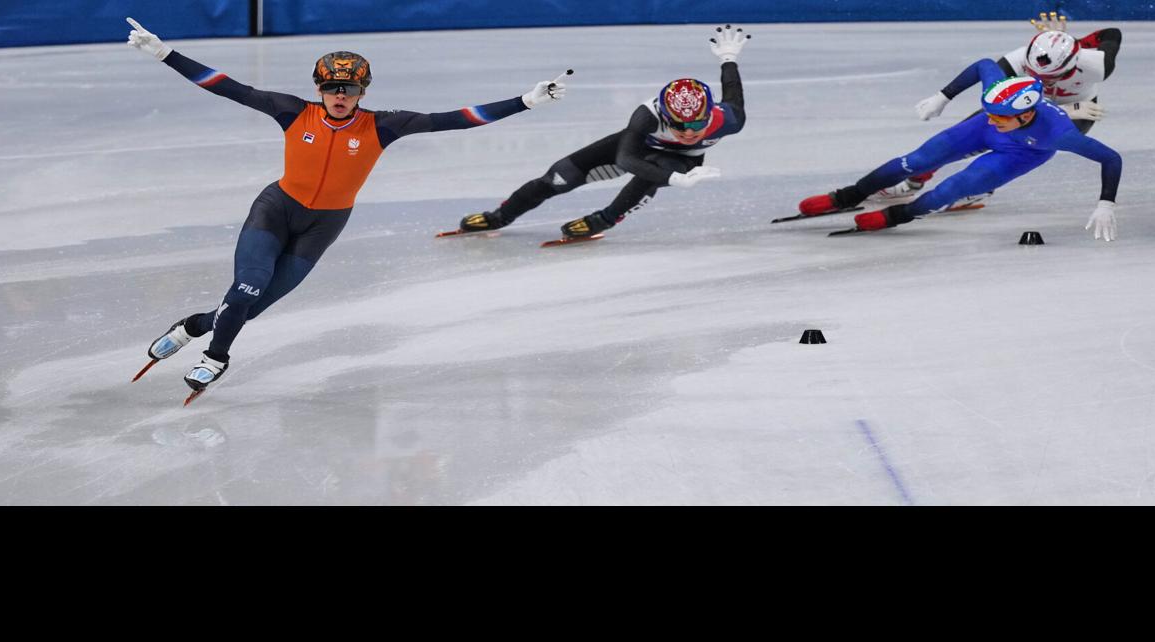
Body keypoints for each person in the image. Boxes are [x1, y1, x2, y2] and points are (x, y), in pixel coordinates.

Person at [123, 17, 568, 399]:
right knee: (248, 288)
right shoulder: (293, 111)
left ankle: (190, 327)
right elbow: (228, 88)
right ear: (318, 87)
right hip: (275, 210)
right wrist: (165, 53)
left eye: (349, 88)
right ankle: (216, 357)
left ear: (363, 89)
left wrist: (525, 102)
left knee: (249, 307)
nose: (339, 95)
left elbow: (456, 119)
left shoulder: (385, 125)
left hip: (323, 226)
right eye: (332, 87)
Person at [455, 26, 750, 242]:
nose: (687, 133)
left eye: (696, 126)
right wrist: (676, 181)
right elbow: (626, 157)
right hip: (638, 148)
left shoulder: (729, 119)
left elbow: (733, 92)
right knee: (557, 177)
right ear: (664, 114)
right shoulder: (646, 115)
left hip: (680, 161)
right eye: (678, 125)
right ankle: (499, 217)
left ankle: (605, 218)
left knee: (654, 172)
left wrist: (728, 58)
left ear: (709, 114)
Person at [796, 62, 1122, 240]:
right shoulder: (997, 104)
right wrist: (943, 96)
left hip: (1019, 154)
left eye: (1000, 116)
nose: (993, 120)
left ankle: (899, 215)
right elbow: (983, 65)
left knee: (954, 188)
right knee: (918, 160)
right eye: (989, 111)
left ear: (1026, 114)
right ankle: (851, 194)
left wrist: (1106, 203)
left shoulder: (1059, 134)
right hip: (980, 133)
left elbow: (1111, 158)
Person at [883, 13, 1123, 205]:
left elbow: (1112, 33)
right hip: (1034, 105)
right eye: (1032, 73)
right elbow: (992, 88)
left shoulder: (1097, 65)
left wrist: (1071, 45)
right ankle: (915, 180)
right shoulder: (1017, 59)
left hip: (1079, 111)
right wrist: (943, 97)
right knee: (961, 135)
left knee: (1026, 146)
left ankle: (983, 187)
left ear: (1071, 66)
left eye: (1048, 77)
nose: (1038, 81)